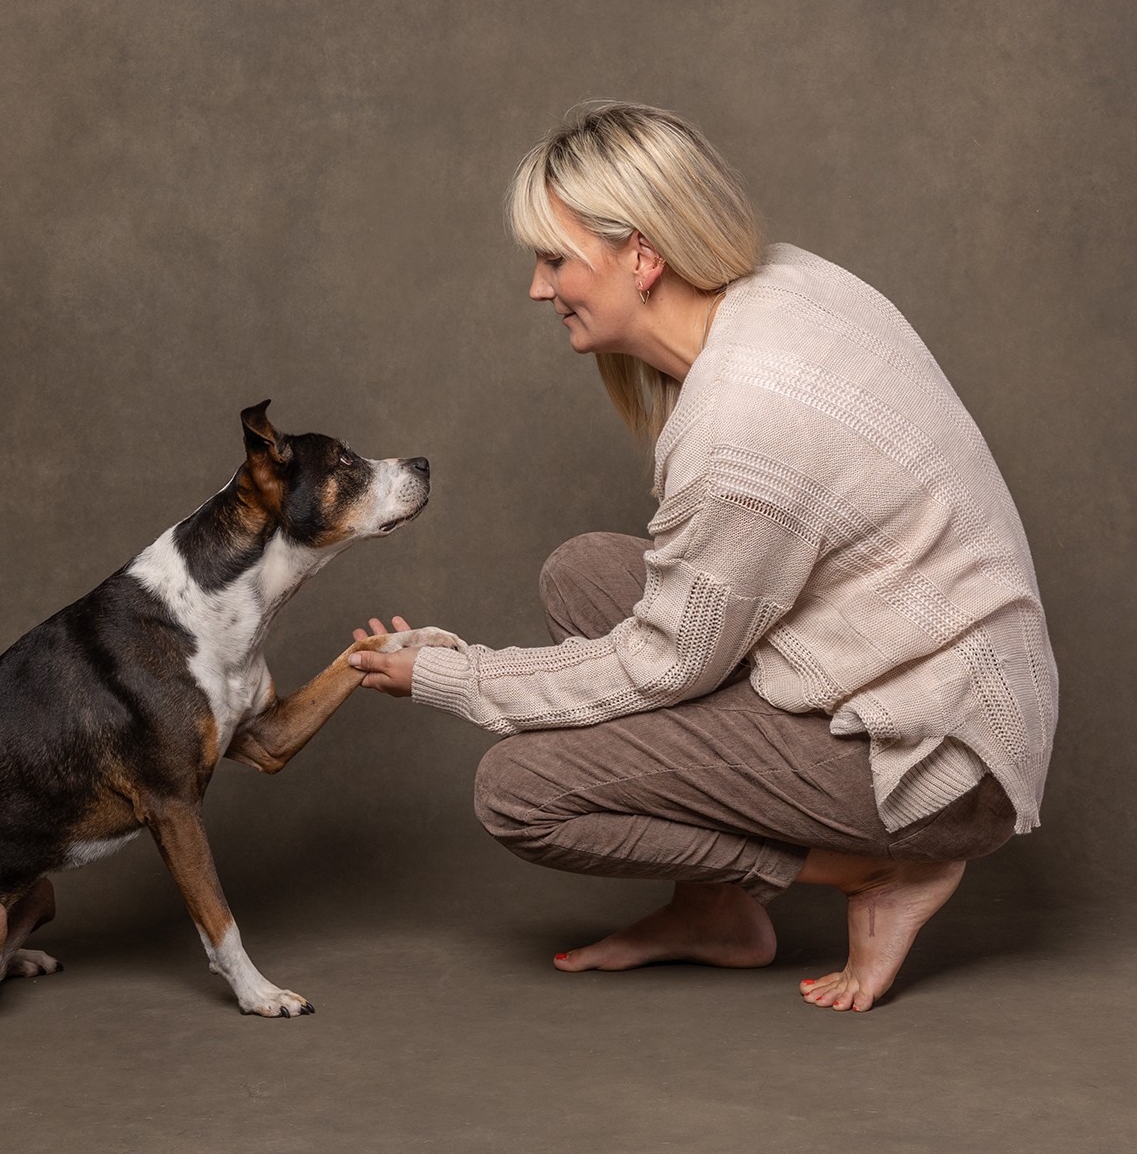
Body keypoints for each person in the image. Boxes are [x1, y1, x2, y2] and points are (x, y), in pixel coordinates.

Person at [348, 103, 1057, 1012]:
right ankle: (718, 912)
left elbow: (661, 663)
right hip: (913, 671)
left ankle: (880, 873)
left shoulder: (741, 428)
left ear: (641, 257)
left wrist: (451, 677)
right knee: (582, 573)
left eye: (556, 258)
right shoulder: (780, 287)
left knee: (519, 790)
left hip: (941, 763)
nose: (537, 287)